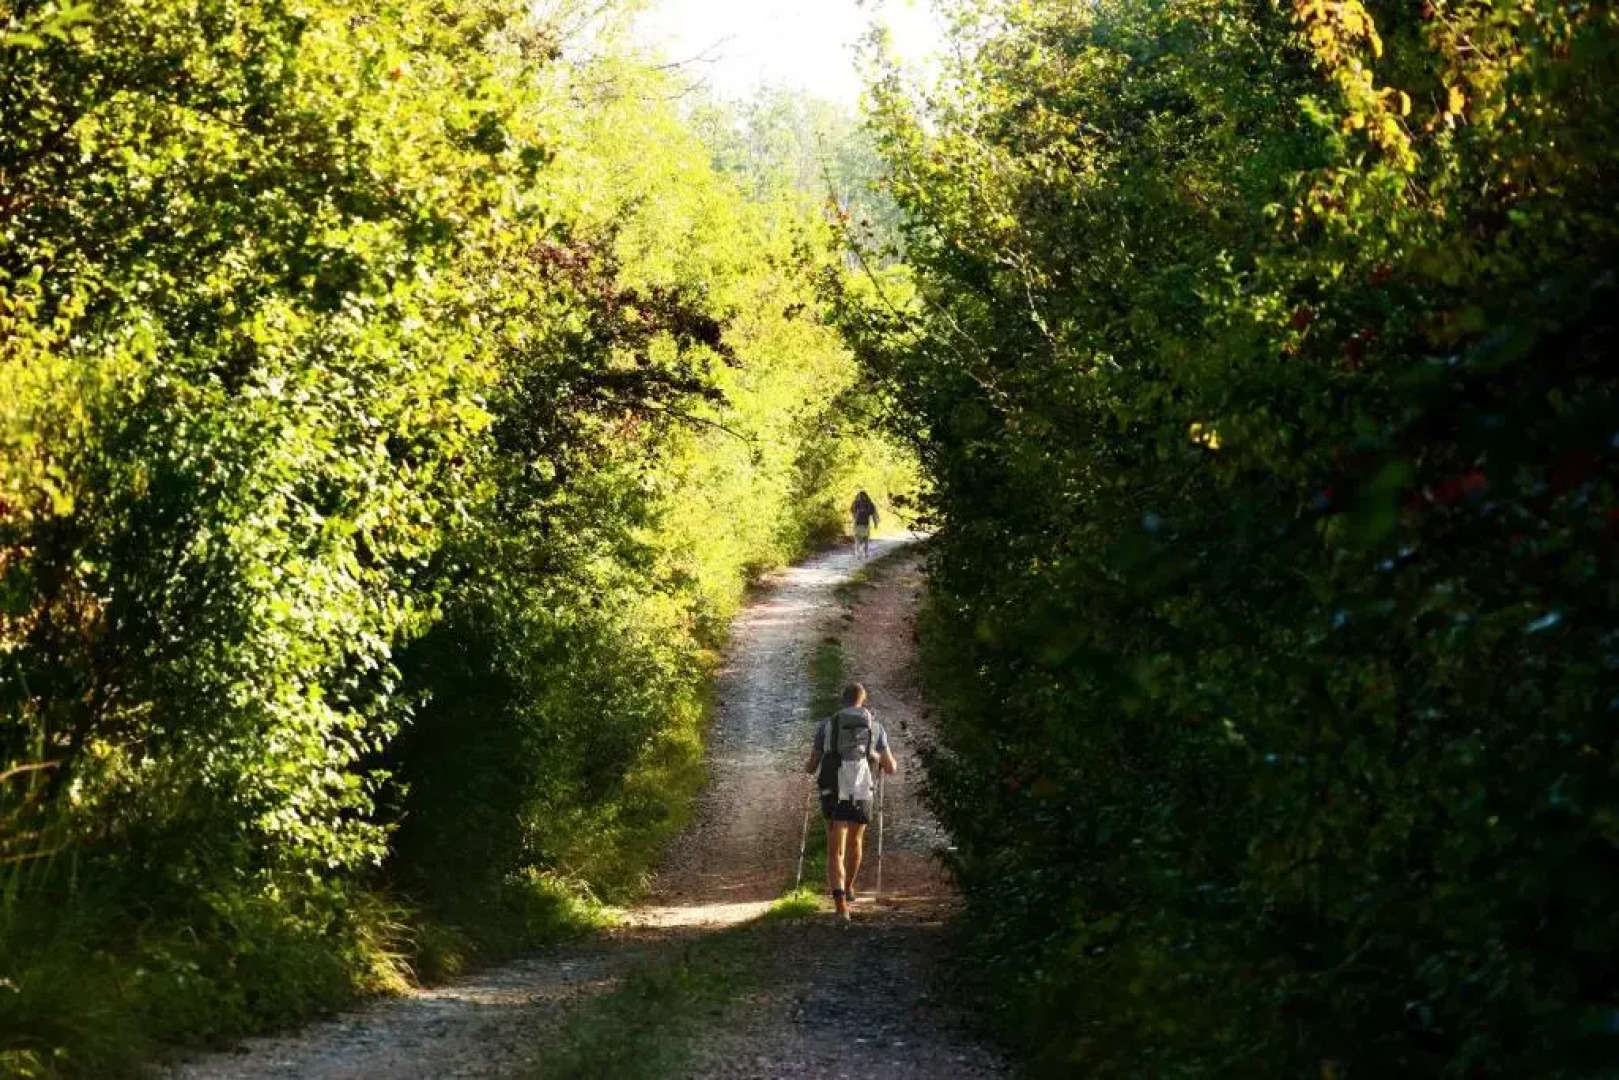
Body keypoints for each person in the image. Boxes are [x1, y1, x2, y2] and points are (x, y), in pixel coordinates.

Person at [806, 682, 897, 919]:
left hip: (834, 788)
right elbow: (891, 767)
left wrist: (810, 768)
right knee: (856, 842)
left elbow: (812, 764)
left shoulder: (826, 726)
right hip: (861, 789)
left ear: (842, 701)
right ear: (862, 701)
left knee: (835, 849)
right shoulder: (875, 727)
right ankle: (848, 888)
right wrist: (874, 756)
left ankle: (840, 906)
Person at [850, 490, 879, 558]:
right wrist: (875, 523)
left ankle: (862, 553)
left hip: (862, 524)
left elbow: (872, 513)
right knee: (861, 539)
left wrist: (875, 523)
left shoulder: (864, 503)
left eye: (862, 496)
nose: (861, 498)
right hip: (861, 524)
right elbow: (873, 514)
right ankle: (861, 553)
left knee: (862, 539)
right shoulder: (863, 503)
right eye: (861, 496)